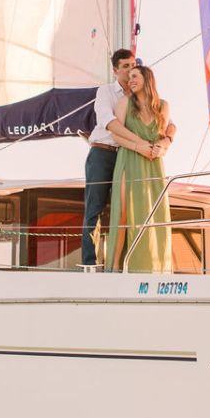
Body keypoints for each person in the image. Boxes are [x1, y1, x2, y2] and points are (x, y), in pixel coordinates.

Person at [107, 64, 175, 273]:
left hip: (153, 165)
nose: (131, 80)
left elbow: (165, 134)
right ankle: (115, 267)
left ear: (147, 78)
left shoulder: (163, 106)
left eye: (135, 76)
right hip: (129, 158)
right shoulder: (124, 102)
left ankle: (152, 266)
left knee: (152, 215)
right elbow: (115, 135)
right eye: (129, 77)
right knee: (124, 214)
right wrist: (139, 147)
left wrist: (163, 146)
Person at [81, 49, 135, 269]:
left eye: (133, 65)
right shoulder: (106, 92)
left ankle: (121, 262)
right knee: (95, 208)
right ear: (115, 70)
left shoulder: (140, 93)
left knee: (123, 209)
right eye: (125, 66)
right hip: (103, 152)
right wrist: (140, 142)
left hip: (127, 154)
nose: (131, 70)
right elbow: (108, 122)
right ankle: (90, 263)